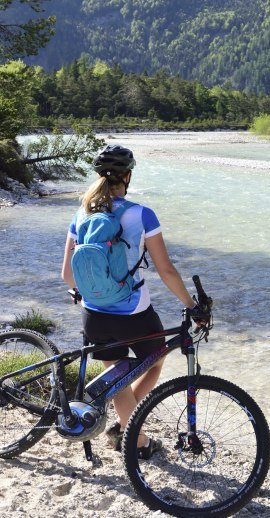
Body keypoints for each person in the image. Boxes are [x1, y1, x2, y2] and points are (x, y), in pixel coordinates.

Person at [60, 144, 195, 458]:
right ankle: (132, 436)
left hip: (93, 314)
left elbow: (67, 274)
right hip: (133, 312)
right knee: (158, 358)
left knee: (118, 375)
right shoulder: (142, 214)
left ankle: (127, 431)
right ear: (128, 176)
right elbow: (166, 270)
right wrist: (190, 305)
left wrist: (85, 292)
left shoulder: (81, 213)